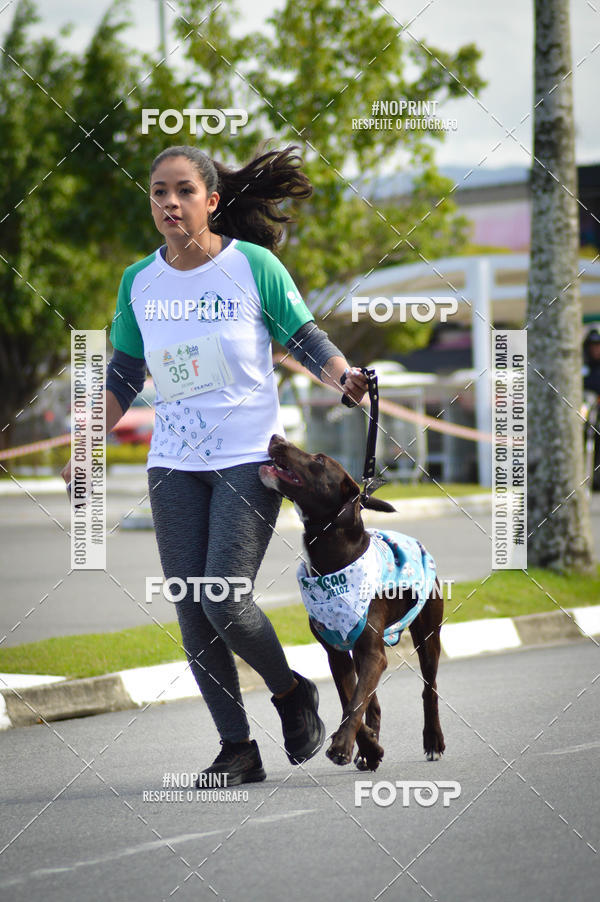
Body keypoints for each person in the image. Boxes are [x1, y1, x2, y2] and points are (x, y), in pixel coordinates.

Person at [61, 144, 368, 784]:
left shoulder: (253, 266)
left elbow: (304, 337)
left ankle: (290, 693)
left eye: (182, 191)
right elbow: (123, 371)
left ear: (212, 201)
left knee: (224, 598)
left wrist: (343, 376)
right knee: (191, 605)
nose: (169, 203)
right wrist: (85, 440)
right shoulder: (138, 281)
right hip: (173, 463)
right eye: (157, 193)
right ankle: (238, 748)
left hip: (247, 458)